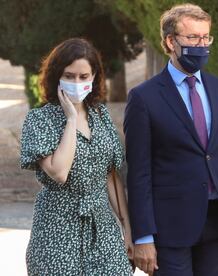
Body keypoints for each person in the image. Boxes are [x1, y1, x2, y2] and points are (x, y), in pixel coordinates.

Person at [124, 3, 218, 276]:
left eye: (206, 38)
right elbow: (138, 173)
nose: (202, 45)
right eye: (193, 38)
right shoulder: (144, 98)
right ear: (170, 41)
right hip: (170, 227)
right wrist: (143, 236)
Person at [20, 38, 134, 275]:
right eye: (69, 76)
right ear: (56, 76)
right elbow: (59, 173)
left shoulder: (101, 115)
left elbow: (111, 175)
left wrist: (128, 230)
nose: (76, 82)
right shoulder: (41, 120)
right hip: (57, 228)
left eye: (84, 77)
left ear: (94, 77)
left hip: (102, 227)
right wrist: (71, 119)